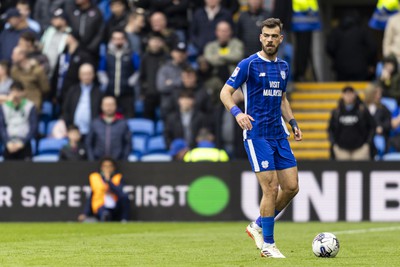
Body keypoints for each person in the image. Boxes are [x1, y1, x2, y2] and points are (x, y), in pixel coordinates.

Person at [219, 18, 302, 258]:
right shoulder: (248, 64)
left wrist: (293, 122)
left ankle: (256, 225)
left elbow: (282, 99)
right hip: (257, 134)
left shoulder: (284, 67)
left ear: (280, 39)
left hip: (279, 134)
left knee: (291, 187)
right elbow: (225, 92)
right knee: (270, 188)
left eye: (274, 36)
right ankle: (268, 245)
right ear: (260, 37)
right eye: (265, 35)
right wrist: (237, 113)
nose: (269, 39)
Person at [328, 86, 375, 160]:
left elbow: (372, 127)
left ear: (354, 95)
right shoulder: (337, 112)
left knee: (361, 169)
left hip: (360, 149)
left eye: (350, 94)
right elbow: (330, 129)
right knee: (342, 170)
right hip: (341, 150)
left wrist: (367, 144)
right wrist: (334, 145)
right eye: (346, 94)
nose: (348, 96)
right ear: (342, 95)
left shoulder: (362, 110)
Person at [62, 63, 103, 137]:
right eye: (84, 74)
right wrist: (69, 127)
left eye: (89, 74)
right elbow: (66, 110)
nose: (86, 77)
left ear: (93, 75)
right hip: (74, 132)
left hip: (93, 133)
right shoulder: (72, 90)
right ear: (79, 75)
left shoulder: (99, 92)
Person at [86, 96, 131, 161]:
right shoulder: (95, 123)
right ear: (101, 106)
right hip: (97, 161)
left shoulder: (123, 123)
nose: (109, 107)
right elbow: (88, 143)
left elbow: (128, 143)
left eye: (111, 104)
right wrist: (92, 159)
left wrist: (124, 159)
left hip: (119, 162)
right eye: (106, 105)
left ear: (116, 106)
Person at [0, 81, 37, 160]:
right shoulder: (4, 106)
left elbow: (33, 127)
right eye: (13, 91)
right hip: (9, 144)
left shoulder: (30, 106)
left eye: (18, 91)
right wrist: (7, 142)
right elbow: (1, 127)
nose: (15, 94)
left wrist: (22, 142)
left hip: (24, 143)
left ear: (23, 92)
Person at [88, 157, 130, 222]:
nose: (107, 168)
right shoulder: (95, 177)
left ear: (113, 168)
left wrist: (108, 181)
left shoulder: (118, 178)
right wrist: (85, 213)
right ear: (101, 168)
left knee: (125, 197)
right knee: (104, 212)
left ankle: (124, 220)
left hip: (115, 205)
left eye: (109, 166)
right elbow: (92, 195)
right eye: (105, 166)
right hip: (101, 205)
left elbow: (120, 193)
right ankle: (105, 217)